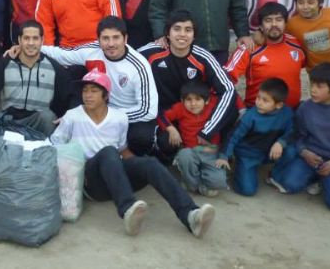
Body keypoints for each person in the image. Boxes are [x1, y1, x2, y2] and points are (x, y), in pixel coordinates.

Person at [50, 69, 215, 238]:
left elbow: (123, 149)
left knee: (149, 163)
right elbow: (55, 147)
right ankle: (128, 209)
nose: (88, 95)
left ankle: (191, 215)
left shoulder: (119, 118)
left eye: (94, 91)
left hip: (114, 175)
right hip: (91, 182)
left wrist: (140, 167)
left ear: (106, 96)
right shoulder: (72, 116)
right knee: (108, 152)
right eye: (85, 91)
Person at [29, 16, 158, 154]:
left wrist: (110, 116)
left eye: (116, 38)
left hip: (127, 113)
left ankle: (138, 159)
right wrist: (28, 47)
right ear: (98, 39)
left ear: (125, 39)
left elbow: (148, 110)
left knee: (141, 137)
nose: (111, 43)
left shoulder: (139, 65)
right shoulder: (92, 50)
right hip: (99, 106)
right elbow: (61, 54)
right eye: (105, 38)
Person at [138, 9, 238, 163]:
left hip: (194, 110)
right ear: (167, 33)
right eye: (176, 29)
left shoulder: (202, 57)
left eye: (188, 30)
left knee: (233, 111)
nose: (182, 34)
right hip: (166, 114)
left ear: (194, 35)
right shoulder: (152, 52)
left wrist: (208, 129)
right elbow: (127, 57)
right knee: (166, 144)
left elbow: (228, 89)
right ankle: (172, 156)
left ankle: (223, 153)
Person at [268, 63, 330, 212]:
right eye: (312, 84)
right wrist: (305, 152)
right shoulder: (306, 107)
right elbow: (297, 136)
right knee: (290, 185)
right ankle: (315, 178)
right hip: (309, 158)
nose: (312, 90)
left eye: (319, 86)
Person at [0, 20, 72, 135]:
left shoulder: (53, 67)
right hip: (9, 120)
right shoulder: (6, 62)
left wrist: (69, 117)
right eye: (26, 38)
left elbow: (71, 94)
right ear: (19, 40)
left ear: (42, 40)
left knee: (48, 117)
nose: (31, 43)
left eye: (35, 38)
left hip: (38, 121)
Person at [214, 78, 293, 196]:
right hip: (248, 154)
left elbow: (293, 131)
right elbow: (233, 136)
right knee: (248, 190)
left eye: (265, 100)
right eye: (258, 98)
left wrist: (281, 142)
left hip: (269, 151)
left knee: (292, 151)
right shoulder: (250, 116)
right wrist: (224, 156)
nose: (259, 103)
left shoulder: (287, 114)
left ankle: (274, 175)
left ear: (279, 105)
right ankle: (240, 171)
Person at [225, 2, 306, 109]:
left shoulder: (296, 43)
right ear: (260, 26)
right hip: (258, 115)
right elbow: (224, 80)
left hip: (292, 113)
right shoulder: (249, 47)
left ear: (285, 23)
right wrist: (240, 108)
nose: (274, 24)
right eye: (268, 20)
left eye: (279, 20)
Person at [161, 81, 228, 197]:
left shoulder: (214, 107)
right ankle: (194, 185)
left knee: (219, 181)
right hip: (191, 152)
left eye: (198, 99)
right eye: (189, 99)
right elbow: (161, 116)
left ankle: (194, 184)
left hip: (212, 153)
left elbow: (231, 96)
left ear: (206, 101)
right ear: (182, 101)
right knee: (184, 155)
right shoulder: (180, 109)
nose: (193, 104)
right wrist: (171, 129)